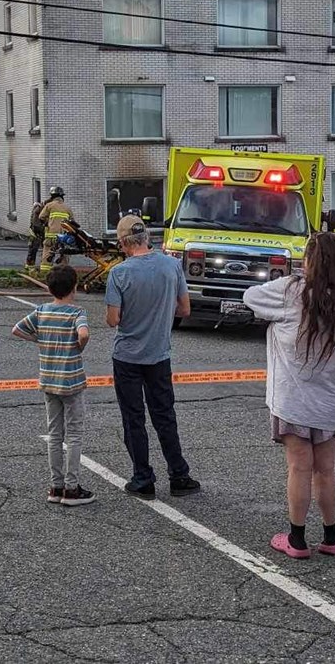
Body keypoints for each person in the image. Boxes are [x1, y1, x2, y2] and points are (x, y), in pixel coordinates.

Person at [243, 232, 335, 559]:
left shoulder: (290, 291)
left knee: (298, 468)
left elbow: (250, 296)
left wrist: (291, 279)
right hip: (330, 400)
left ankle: (296, 539)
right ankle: (331, 534)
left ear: (309, 260)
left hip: (292, 398)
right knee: (326, 469)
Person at [106, 214, 200, 499]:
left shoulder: (119, 273)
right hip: (159, 355)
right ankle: (179, 474)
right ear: (146, 237)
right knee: (164, 414)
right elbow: (185, 310)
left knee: (133, 417)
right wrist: (160, 312)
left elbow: (113, 319)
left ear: (123, 243)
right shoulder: (171, 266)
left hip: (127, 357)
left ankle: (143, 477)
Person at [12, 264, 95, 506]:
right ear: (74, 288)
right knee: (75, 434)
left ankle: (55, 486)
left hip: (48, 380)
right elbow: (84, 334)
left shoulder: (41, 311)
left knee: (54, 434)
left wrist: (38, 339)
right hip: (71, 381)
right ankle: (72, 488)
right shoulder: (76, 313)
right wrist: (80, 345)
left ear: (50, 289)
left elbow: (16, 329)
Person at [38, 186, 73, 264]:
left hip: (51, 236)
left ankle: (45, 271)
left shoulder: (49, 205)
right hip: (64, 236)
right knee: (64, 253)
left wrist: (49, 222)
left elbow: (41, 217)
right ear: (62, 197)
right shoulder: (67, 208)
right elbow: (73, 222)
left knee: (48, 252)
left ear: (52, 196)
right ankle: (63, 271)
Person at [25, 196, 48, 268]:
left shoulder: (37, 211)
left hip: (38, 232)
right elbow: (37, 224)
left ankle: (33, 264)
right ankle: (30, 265)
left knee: (41, 249)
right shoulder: (37, 211)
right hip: (36, 233)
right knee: (33, 249)